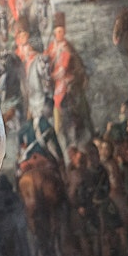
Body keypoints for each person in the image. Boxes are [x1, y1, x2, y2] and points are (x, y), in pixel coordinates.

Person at [47, 12, 93, 154]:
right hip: (54, 83)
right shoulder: (52, 47)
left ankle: (87, 129)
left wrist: (52, 76)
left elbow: (63, 69)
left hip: (67, 82)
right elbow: (46, 61)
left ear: (64, 32)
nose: (58, 34)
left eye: (61, 31)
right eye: (56, 32)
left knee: (79, 106)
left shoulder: (67, 48)